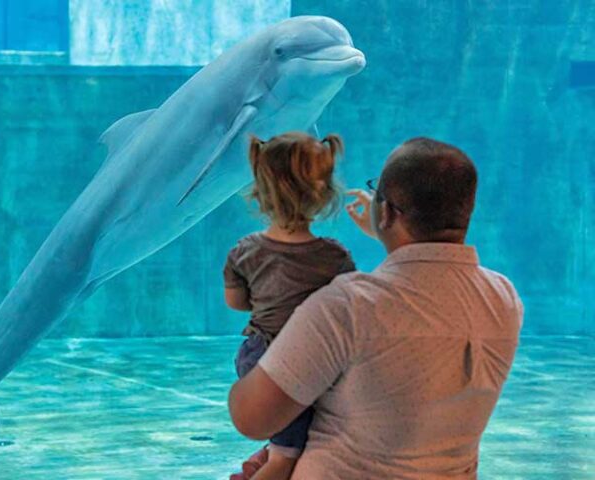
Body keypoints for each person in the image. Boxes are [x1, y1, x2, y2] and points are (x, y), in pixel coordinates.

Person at [228, 137, 524, 479]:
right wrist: (390, 233)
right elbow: (430, 288)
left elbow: (251, 417)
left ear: (385, 211)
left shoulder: (347, 306)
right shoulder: (503, 298)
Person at [224, 132, 356, 480]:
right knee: (287, 460)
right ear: (324, 194)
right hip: (299, 365)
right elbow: (351, 310)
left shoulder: (243, 251)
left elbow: (236, 303)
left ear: (261, 192)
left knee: (286, 442)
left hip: (256, 358)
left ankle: (262, 460)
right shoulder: (335, 257)